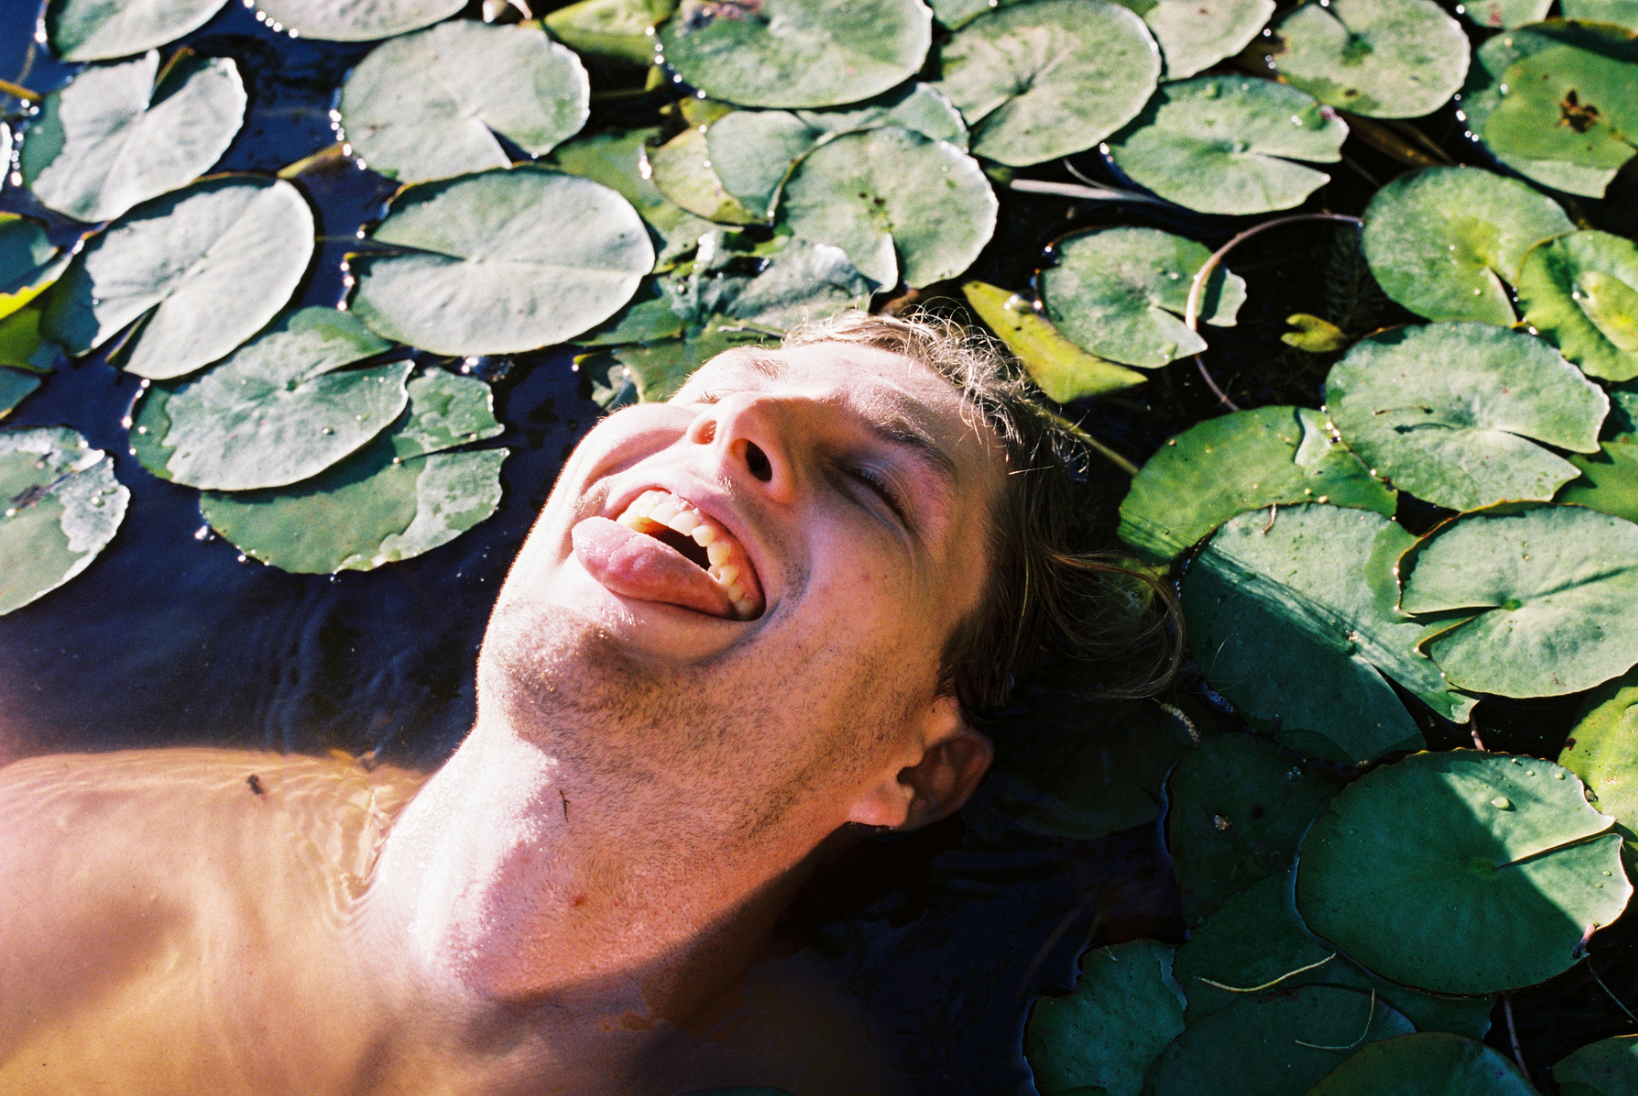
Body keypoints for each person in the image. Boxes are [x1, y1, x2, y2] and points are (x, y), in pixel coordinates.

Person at [0, 311, 1173, 1095]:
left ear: (916, 768)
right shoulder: (61, 859)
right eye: (716, 389)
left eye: (873, 484)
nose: (735, 424)